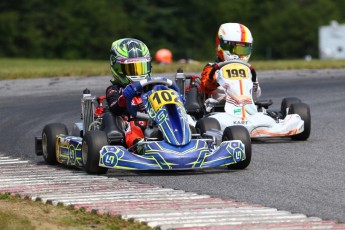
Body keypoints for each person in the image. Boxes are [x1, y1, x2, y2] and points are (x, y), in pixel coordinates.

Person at [105, 38, 151, 152]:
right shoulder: (114, 89)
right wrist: (124, 98)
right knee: (134, 125)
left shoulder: (153, 86)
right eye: (131, 68)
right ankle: (139, 146)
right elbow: (115, 109)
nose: (138, 73)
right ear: (117, 68)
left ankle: (189, 135)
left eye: (141, 67)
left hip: (157, 119)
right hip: (130, 121)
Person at [200, 23, 261, 103]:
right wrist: (216, 80)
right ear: (220, 45)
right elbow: (206, 86)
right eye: (232, 48)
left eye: (242, 50)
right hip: (218, 108)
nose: (237, 54)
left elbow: (256, 95)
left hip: (246, 107)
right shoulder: (212, 68)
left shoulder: (249, 70)